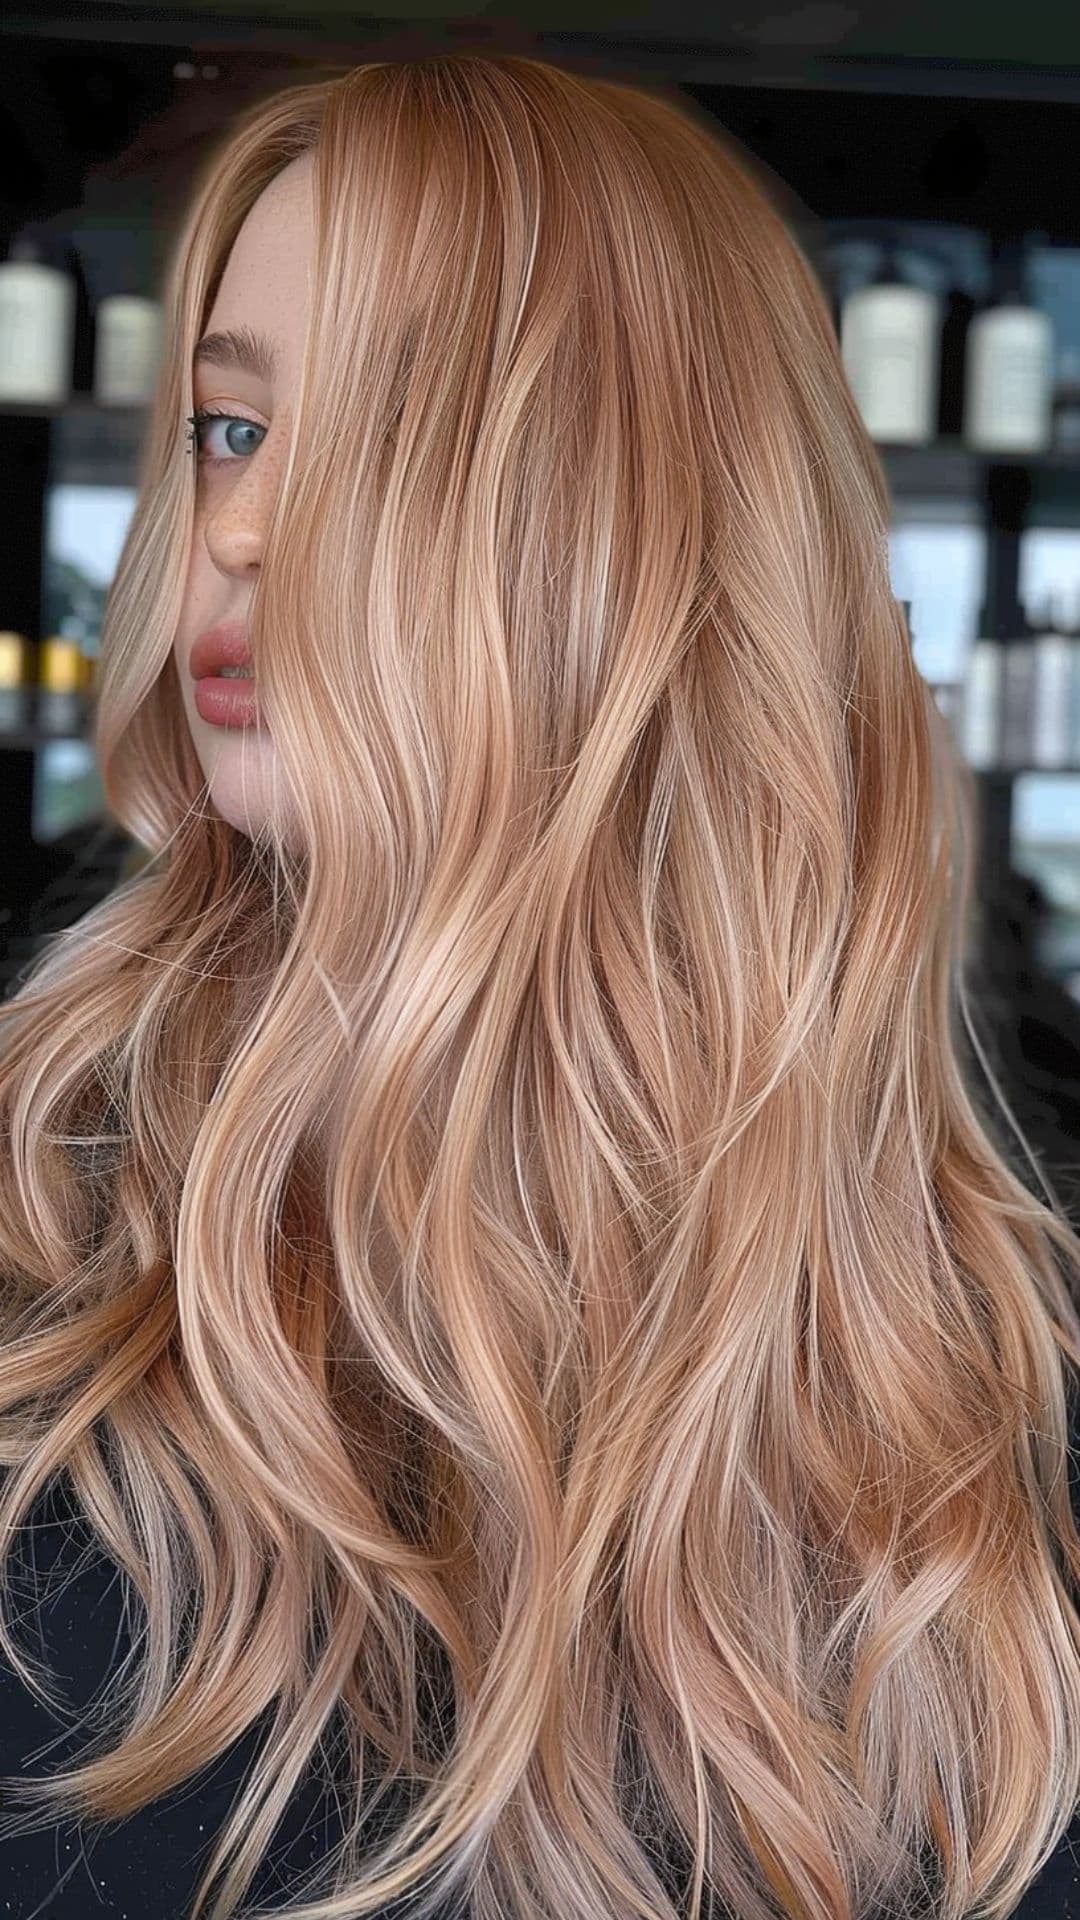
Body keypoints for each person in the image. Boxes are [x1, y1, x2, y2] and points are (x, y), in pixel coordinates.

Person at [0, 46, 1079, 1920]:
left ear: (639, 534)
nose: (234, 526)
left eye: (391, 432)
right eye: (233, 428)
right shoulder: (48, 1249)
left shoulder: (956, 1402)